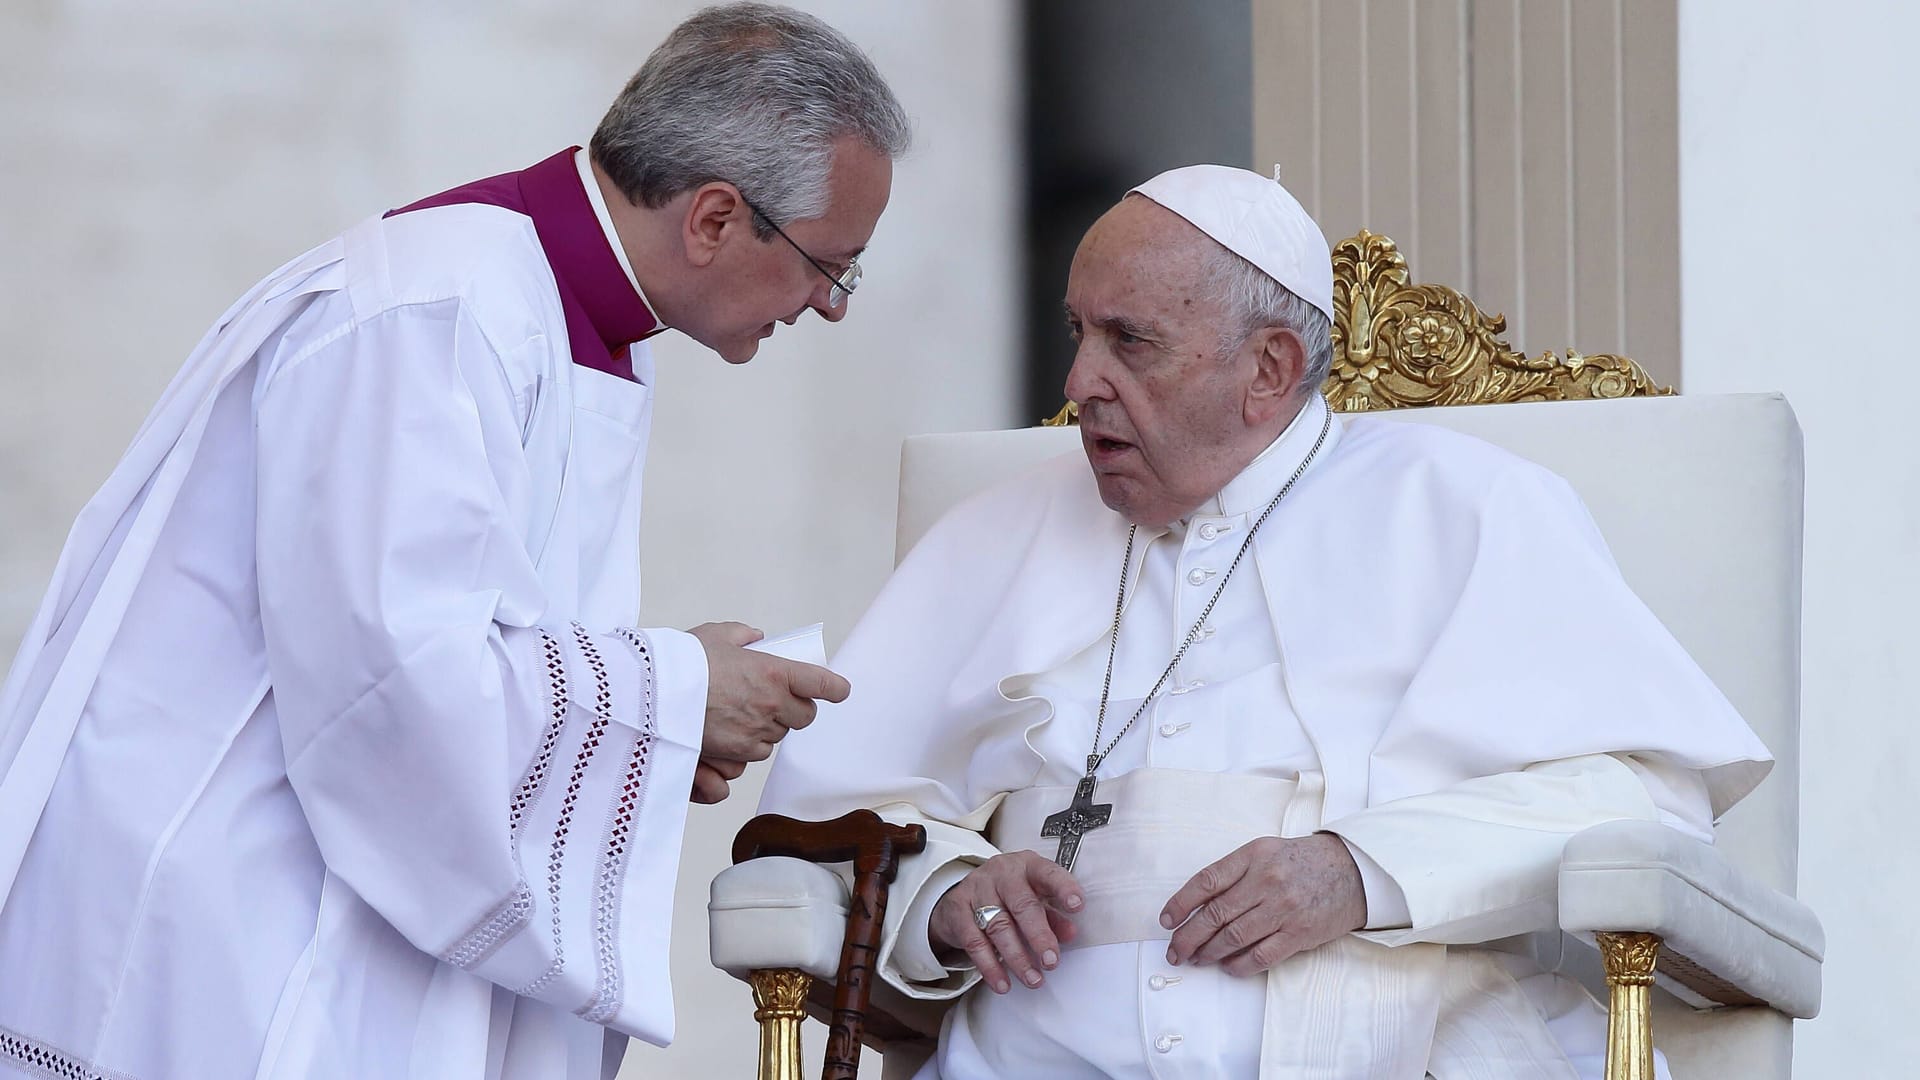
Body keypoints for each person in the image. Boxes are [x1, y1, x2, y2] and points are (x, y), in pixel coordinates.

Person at [0, 5, 907, 1079]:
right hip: (228, 931)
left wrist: (655, 731)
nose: (830, 306)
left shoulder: (571, 318)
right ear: (714, 218)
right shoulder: (435, 311)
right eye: (830, 266)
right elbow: (391, 688)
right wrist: (668, 695)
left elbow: (469, 640)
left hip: (321, 908)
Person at [758, 164, 1771, 1080]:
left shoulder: (1463, 508)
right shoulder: (994, 534)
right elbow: (825, 817)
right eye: (1079, 333)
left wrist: (1362, 873)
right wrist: (946, 892)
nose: (1077, 386)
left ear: (1271, 370)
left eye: (1131, 341)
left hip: (1394, 1050)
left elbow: (1648, 796)